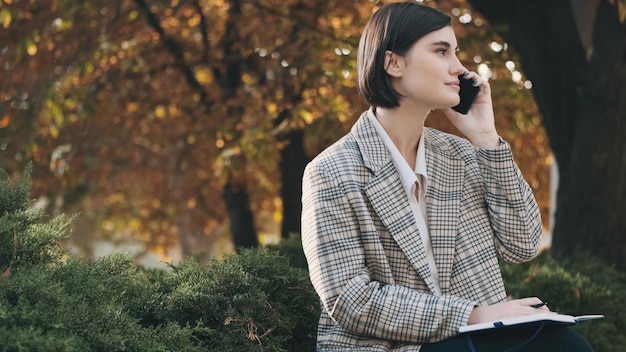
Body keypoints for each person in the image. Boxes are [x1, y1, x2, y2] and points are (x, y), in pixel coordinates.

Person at [300, 2, 595, 351]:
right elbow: (350, 300)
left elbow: (523, 245)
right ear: (393, 63)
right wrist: (472, 315)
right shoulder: (332, 171)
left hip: (477, 337)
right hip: (394, 346)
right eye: (441, 51)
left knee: (567, 345)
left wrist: (486, 139)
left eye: (456, 52)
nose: (459, 68)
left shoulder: (461, 154)